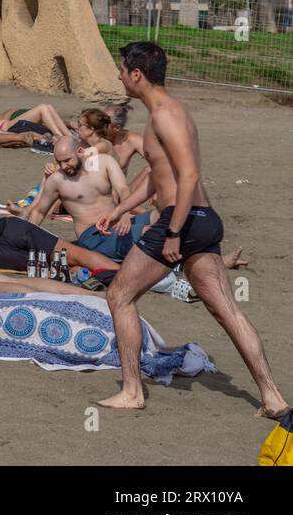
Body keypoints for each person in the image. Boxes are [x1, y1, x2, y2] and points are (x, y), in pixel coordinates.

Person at [95, 41, 287, 416]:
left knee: (119, 295)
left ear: (137, 75)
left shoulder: (166, 114)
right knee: (228, 311)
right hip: (202, 221)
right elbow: (158, 177)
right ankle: (272, 396)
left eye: (122, 69)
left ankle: (132, 391)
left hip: (183, 220)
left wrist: (173, 232)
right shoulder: (162, 115)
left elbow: (189, 175)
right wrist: (120, 209)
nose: (118, 75)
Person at [26, 135, 148, 258]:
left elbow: (123, 189)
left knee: (160, 217)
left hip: (115, 221)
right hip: (93, 235)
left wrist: (124, 212)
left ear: (80, 151)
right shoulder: (57, 180)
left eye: (67, 160)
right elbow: (39, 211)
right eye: (59, 162)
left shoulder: (104, 162)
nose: (63, 167)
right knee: (148, 232)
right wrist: (25, 238)